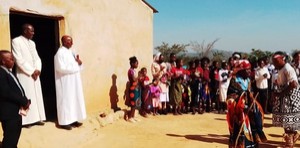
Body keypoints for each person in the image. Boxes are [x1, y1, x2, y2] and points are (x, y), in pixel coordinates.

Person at [11, 23, 46, 128]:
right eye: (31, 31)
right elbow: (18, 59)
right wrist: (31, 71)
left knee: (36, 96)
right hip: (24, 74)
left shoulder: (32, 43)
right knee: (26, 95)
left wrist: (38, 70)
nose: (33, 33)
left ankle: (36, 118)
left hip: (35, 74)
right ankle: (26, 120)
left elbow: (37, 58)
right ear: (25, 31)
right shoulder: (16, 41)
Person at [227, 60, 267, 148]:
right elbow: (231, 97)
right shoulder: (234, 81)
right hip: (239, 112)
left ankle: (258, 135)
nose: (249, 71)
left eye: (250, 69)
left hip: (249, 110)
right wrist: (241, 105)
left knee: (257, 118)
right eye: (247, 69)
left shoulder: (248, 80)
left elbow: (251, 94)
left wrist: (252, 102)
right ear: (241, 70)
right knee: (240, 131)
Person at [54, 35, 86, 130]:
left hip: (74, 81)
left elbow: (78, 64)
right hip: (65, 81)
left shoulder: (72, 52)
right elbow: (61, 68)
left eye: (71, 41)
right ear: (63, 42)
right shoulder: (59, 53)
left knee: (74, 99)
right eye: (68, 41)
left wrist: (79, 63)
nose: (71, 43)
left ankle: (73, 119)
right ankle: (64, 122)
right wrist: (76, 67)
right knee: (66, 100)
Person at [0, 50, 31, 147]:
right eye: (10, 59)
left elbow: (17, 88)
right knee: (10, 139)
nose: (13, 61)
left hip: (15, 111)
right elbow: (6, 92)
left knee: (14, 138)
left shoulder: (8, 72)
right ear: (3, 61)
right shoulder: (1, 73)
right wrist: (22, 100)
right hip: (8, 113)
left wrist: (25, 100)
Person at [272, 51, 300, 147]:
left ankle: (289, 143)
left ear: (282, 59)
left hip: (289, 98)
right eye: (273, 61)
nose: (274, 63)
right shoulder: (281, 69)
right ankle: (293, 137)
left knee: (287, 120)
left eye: (276, 61)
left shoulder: (288, 68)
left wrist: (281, 94)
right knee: (286, 120)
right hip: (284, 97)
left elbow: (294, 84)